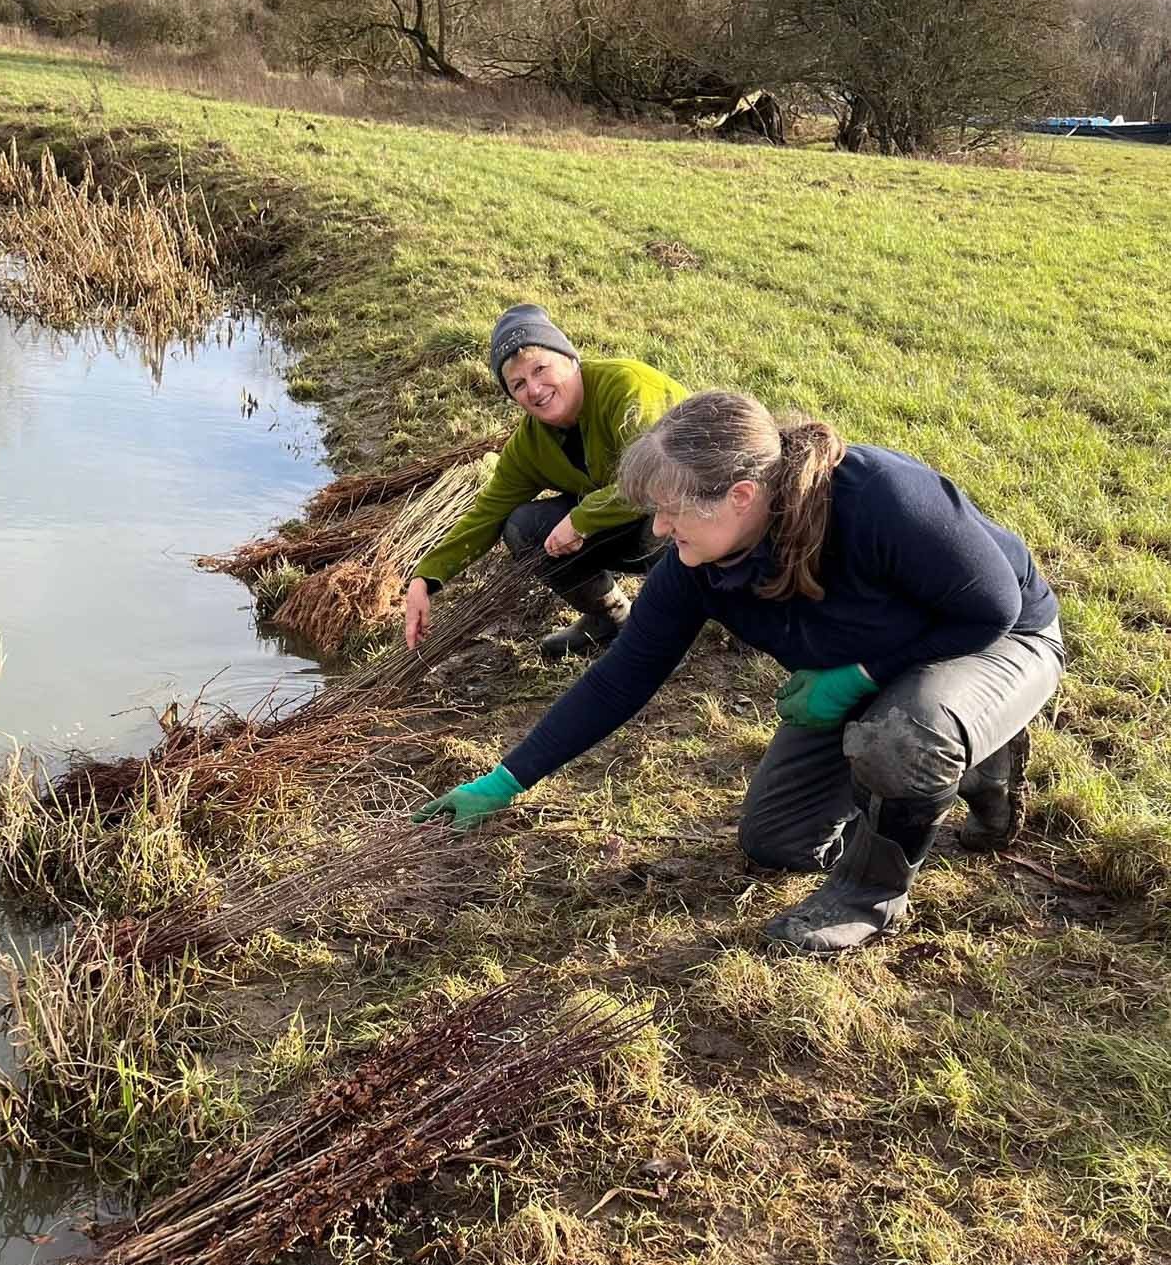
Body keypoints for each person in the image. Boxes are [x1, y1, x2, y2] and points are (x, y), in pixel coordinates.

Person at [415, 391, 1064, 955]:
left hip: (1001, 640)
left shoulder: (879, 497)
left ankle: (869, 899)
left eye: (671, 510)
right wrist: (504, 780)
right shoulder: (698, 567)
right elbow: (622, 677)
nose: (659, 529)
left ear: (741, 494)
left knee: (902, 738)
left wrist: (862, 674)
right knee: (777, 839)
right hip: (891, 670)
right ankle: (976, 765)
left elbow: (993, 605)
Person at [406, 304, 685, 660]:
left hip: (691, 516)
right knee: (524, 527)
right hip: (627, 524)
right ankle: (610, 617)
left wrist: (582, 520)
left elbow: (654, 480)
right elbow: (487, 513)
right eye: (518, 384)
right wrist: (426, 579)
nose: (535, 390)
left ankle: (666, 632)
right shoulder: (530, 444)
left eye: (541, 369)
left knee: (664, 516)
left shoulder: (627, 387)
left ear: (571, 359)